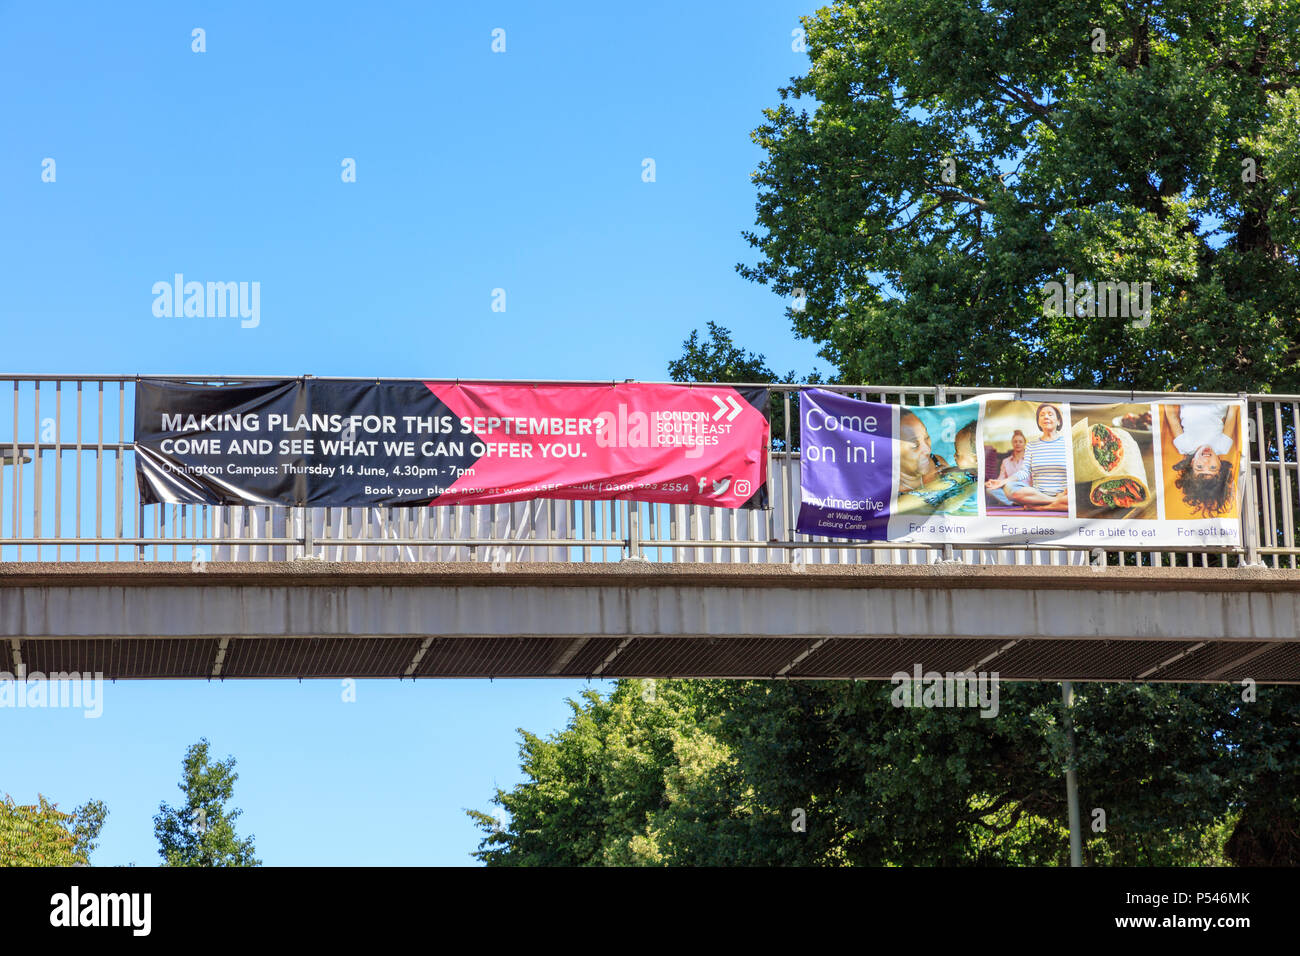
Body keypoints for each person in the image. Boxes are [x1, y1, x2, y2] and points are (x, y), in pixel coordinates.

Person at [984, 404, 1069, 511]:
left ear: (1058, 421)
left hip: (1063, 493)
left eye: (1050, 414)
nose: (1046, 417)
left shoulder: (1068, 443)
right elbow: (1024, 472)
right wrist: (1002, 482)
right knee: (1010, 487)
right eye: (1042, 415)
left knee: (1074, 498)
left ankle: (1040, 508)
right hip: (1037, 494)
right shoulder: (1031, 445)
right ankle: (1054, 502)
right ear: (1039, 422)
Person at [1162, 404, 1238, 517]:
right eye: (1212, 468)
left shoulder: (1184, 446)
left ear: (1192, 463)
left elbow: (1171, 415)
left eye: (1199, 467)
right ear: (1220, 464)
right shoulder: (1223, 446)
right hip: (1217, 400)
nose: (1206, 462)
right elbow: (1233, 410)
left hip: (1190, 399)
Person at [898, 411, 949, 493]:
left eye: (926, 437)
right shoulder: (889, 493)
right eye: (915, 446)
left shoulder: (937, 462)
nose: (928, 450)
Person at [986, 429, 1027, 506]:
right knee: (989, 490)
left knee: (1010, 485)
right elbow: (1001, 479)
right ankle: (1014, 503)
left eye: (1020, 442)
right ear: (1012, 443)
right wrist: (992, 483)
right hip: (1009, 491)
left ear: (1024, 443)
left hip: (1026, 491)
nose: (1017, 444)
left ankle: (1022, 501)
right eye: (1015, 441)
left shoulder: (1030, 459)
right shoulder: (1005, 461)